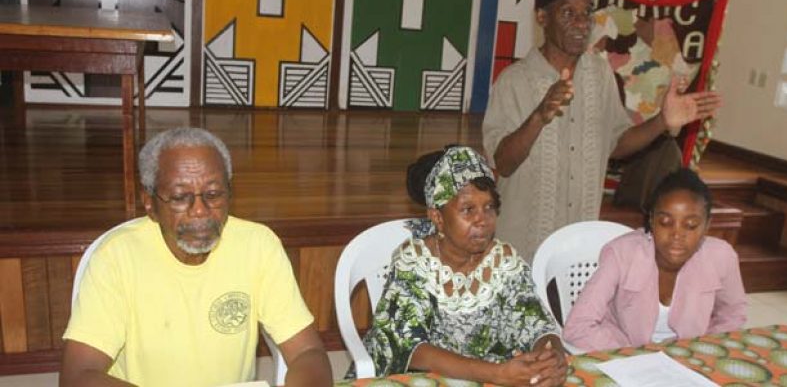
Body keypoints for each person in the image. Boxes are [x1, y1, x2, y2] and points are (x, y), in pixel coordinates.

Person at [60, 127, 333, 387]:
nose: (200, 210)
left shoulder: (258, 246)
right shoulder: (116, 257)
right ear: (150, 204)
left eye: (213, 194)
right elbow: (79, 375)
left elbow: (308, 352)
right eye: (180, 197)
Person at [482, 0, 723, 260]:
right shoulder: (513, 81)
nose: (582, 23)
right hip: (521, 249)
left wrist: (662, 122)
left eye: (587, 12)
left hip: (578, 248)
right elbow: (503, 163)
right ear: (543, 17)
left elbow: (617, 143)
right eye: (567, 13)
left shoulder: (600, 74)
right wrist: (539, 116)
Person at [359, 146, 567, 387]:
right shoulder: (414, 262)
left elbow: (537, 322)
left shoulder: (504, 262)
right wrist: (497, 373)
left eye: (489, 207)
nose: (482, 219)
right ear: (438, 218)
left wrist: (553, 358)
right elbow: (412, 348)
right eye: (468, 210)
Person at [563, 168, 746, 351]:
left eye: (690, 225)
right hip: (627, 355)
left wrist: (699, 351)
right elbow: (578, 326)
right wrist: (634, 355)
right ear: (651, 220)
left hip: (690, 358)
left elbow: (732, 316)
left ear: (706, 226)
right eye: (665, 222)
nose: (677, 235)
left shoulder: (721, 257)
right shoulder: (622, 254)